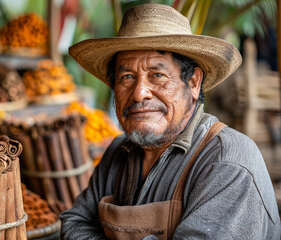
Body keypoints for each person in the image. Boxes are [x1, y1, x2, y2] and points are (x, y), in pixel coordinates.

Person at [60, 4, 281, 240]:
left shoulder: (228, 161)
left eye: (157, 75)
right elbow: (74, 222)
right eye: (127, 77)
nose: (139, 93)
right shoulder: (118, 152)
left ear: (194, 83)